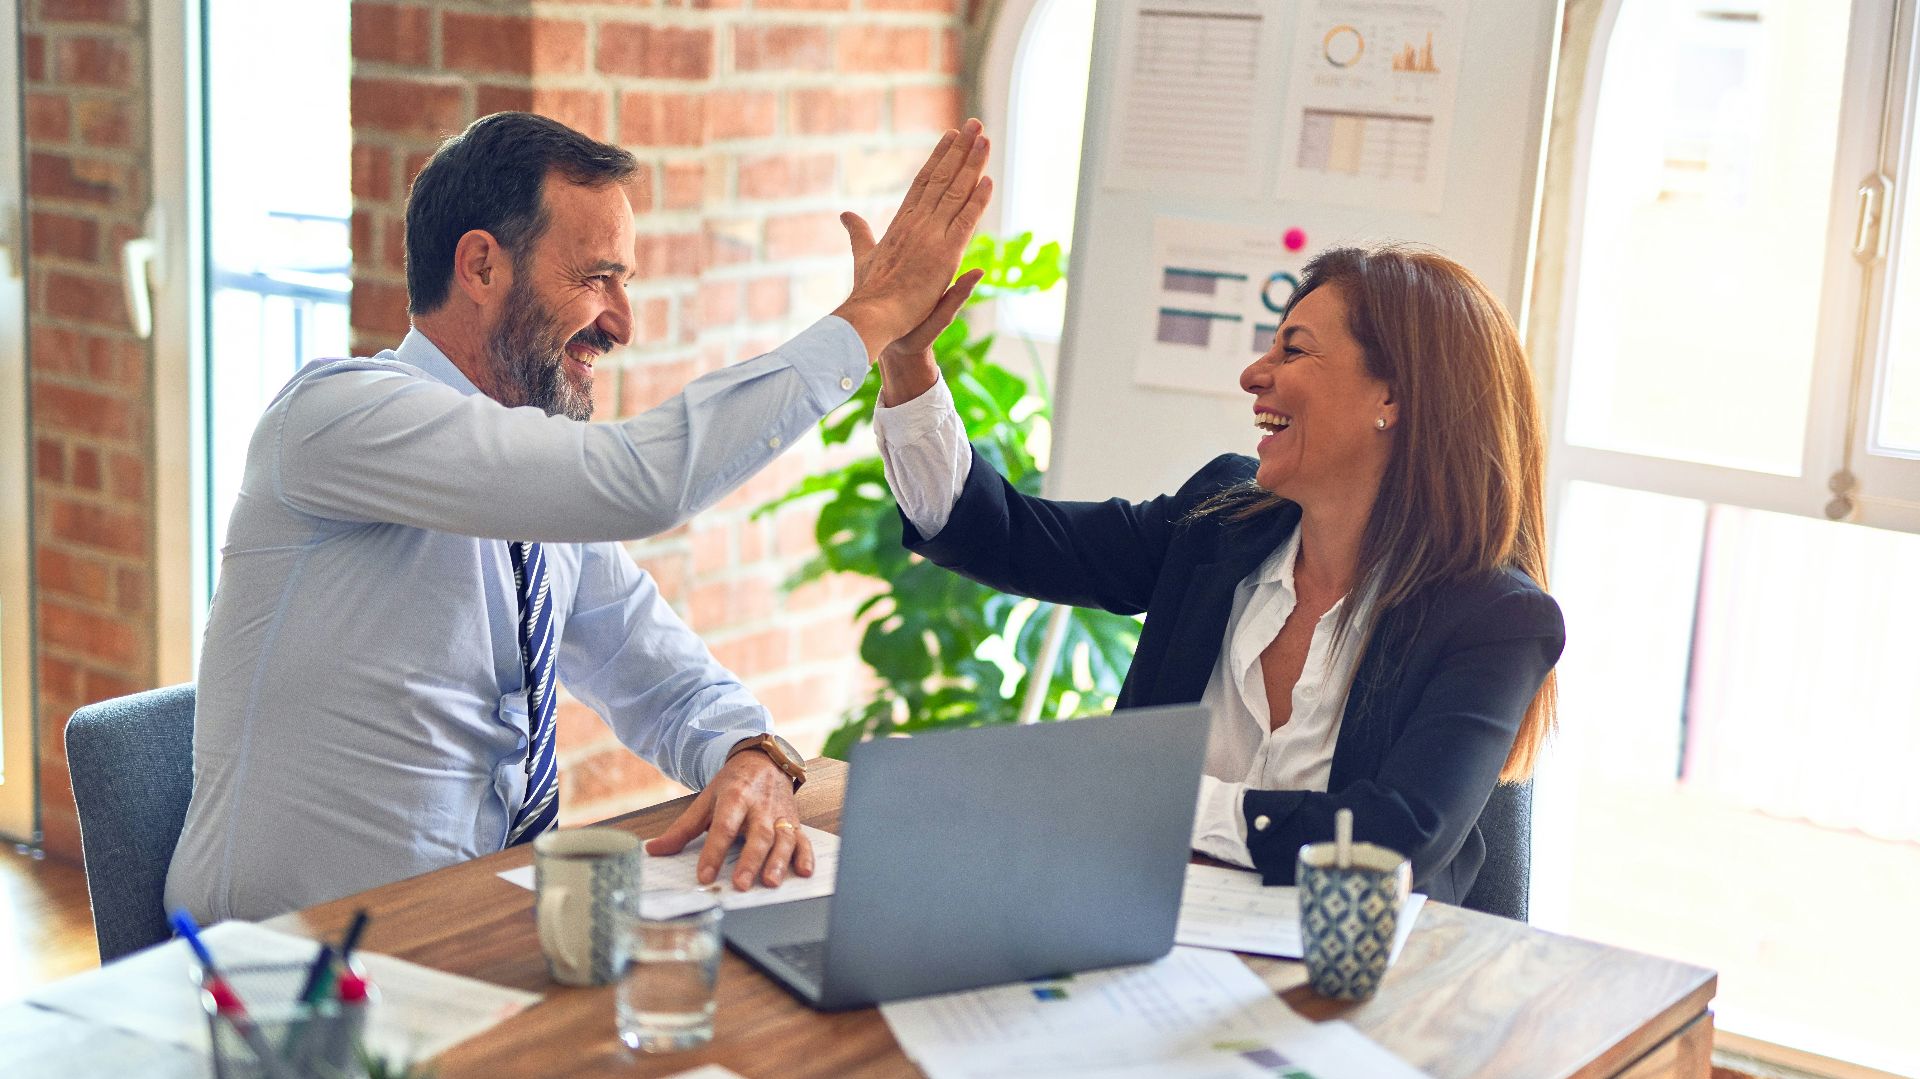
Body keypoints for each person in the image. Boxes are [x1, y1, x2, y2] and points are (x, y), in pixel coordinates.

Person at [166, 112, 993, 922]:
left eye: (624, 282)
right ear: (482, 268)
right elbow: (643, 482)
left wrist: (752, 754)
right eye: (598, 277)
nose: (622, 323)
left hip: (472, 937)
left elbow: (662, 676)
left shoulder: (534, 495)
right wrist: (872, 317)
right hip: (284, 977)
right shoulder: (337, 417)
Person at [872, 244, 1564, 905]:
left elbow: (1390, 842)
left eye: (1293, 349)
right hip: (1142, 934)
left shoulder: (1495, 619)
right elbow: (1004, 536)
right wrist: (908, 363)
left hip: (1357, 987)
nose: (1254, 374)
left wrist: (1157, 798)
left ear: (1393, 397)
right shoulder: (1220, 522)